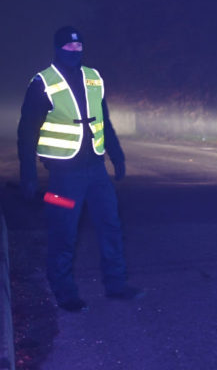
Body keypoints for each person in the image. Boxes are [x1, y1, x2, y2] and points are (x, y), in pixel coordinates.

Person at [18, 26, 142, 312]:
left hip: (97, 171)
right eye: (69, 47)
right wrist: (28, 172)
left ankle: (116, 284)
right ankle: (64, 291)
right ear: (58, 48)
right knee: (64, 231)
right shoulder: (43, 83)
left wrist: (117, 155)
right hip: (63, 175)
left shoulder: (94, 78)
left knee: (110, 226)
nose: (75, 51)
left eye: (79, 46)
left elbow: (104, 121)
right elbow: (27, 130)